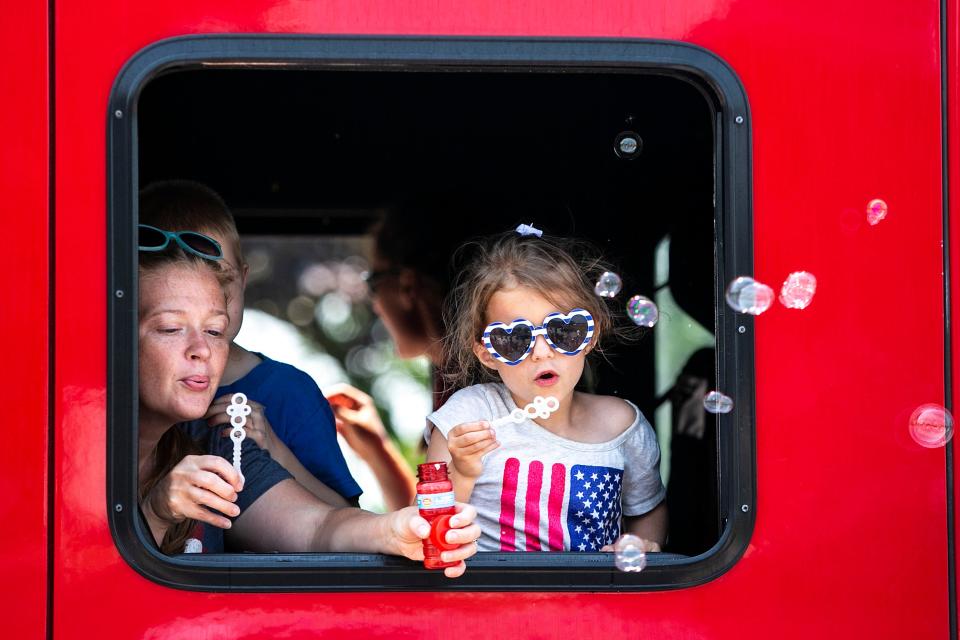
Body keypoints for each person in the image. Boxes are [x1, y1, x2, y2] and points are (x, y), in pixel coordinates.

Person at [136, 235, 480, 575]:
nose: (203, 349)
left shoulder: (222, 443)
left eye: (215, 331)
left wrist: (394, 531)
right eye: (170, 328)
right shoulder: (85, 457)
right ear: (117, 336)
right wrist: (155, 513)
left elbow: (318, 527)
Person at [423, 228, 668, 553]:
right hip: (489, 601)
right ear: (487, 353)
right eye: (515, 339)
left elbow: (648, 509)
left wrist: (638, 545)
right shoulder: (467, 416)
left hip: (594, 601)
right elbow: (430, 532)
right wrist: (463, 473)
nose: (541, 352)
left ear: (590, 334)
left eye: (563, 331)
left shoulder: (623, 426)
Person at [140, 181, 361, 507]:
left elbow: (342, 517)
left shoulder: (290, 393)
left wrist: (275, 450)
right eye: (171, 326)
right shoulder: (114, 392)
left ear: (243, 280)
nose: (207, 296)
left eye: (222, 280)